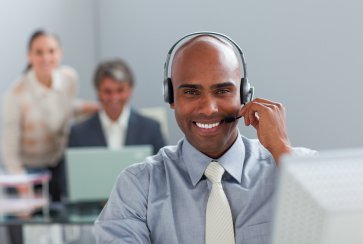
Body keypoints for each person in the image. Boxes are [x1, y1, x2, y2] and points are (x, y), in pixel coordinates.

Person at [94, 33, 316, 244]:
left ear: (244, 95)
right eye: (191, 92)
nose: (209, 109)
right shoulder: (139, 185)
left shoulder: (295, 165)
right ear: (171, 97)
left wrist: (282, 151)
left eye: (222, 91)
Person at [1, 29, 98, 202]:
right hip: (28, 170)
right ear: (29, 56)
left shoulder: (70, 78)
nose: (46, 58)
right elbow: (9, 150)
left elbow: (66, 108)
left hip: (58, 162)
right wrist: (24, 188)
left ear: (60, 53)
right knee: (30, 223)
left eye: (51, 51)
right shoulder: (15, 95)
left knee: (60, 216)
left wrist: (97, 108)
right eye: (39, 52)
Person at [68, 58, 166, 154]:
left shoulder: (151, 129)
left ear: (130, 90)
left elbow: (163, 168)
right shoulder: (78, 133)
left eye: (120, 90)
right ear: (98, 91)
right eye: (107, 91)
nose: (114, 97)